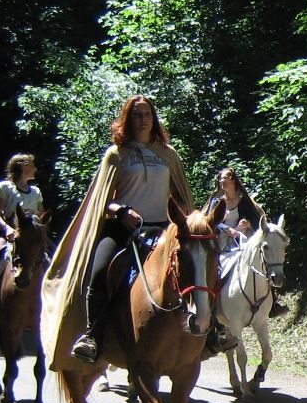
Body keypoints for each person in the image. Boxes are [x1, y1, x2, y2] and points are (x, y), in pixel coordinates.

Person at [41, 95, 194, 370]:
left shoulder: (168, 154)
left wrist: (187, 220)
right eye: (137, 114)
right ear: (127, 118)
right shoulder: (116, 154)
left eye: (147, 114)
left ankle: (210, 330)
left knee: (197, 267)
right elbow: (101, 200)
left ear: (154, 118)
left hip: (162, 229)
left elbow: (180, 195)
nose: (143, 119)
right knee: (100, 273)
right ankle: (92, 336)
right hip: (122, 229)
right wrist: (121, 210)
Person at [202, 167, 287, 318]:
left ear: (233, 180)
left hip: (242, 241)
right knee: (212, 269)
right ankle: (211, 307)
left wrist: (247, 223)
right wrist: (227, 229)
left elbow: (257, 221)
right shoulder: (216, 202)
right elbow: (210, 222)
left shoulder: (244, 201)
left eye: (225, 178)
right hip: (220, 243)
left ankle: (273, 302)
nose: (222, 181)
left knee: (261, 264)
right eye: (220, 179)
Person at [0, 153, 46, 284]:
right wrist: (7, 229)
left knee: (58, 257)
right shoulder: (4, 187)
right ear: (23, 168)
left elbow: (41, 216)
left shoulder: (36, 192)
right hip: (10, 234)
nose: (35, 169)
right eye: (32, 166)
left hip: (32, 236)